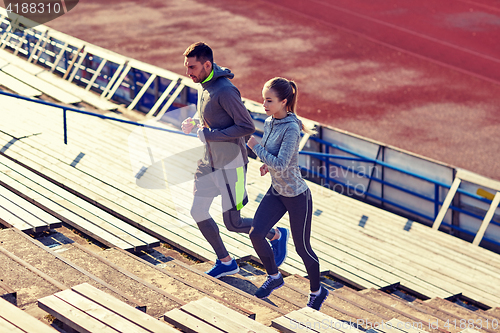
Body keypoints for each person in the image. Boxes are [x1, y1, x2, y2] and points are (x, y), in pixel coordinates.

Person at [181, 42, 289, 279]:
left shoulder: (225, 91)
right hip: (209, 162)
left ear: (207, 65)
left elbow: (246, 126)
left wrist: (208, 134)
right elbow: (215, 118)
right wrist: (196, 123)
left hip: (232, 166)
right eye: (187, 66)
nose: (188, 72)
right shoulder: (205, 84)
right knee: (198, 211)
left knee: (233, 222)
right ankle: (226, 261)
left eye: (192, 67)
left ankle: (276, 235)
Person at [246, 77, 329, 310]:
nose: (264, 104)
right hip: (277, 190)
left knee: (303, 248)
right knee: (256, 233)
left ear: (284, 101)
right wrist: (266, 163)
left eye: (269, 100)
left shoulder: (292, 128)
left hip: (296, 195)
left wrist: (254, 146)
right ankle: (274, 276)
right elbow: (273, 155)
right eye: (264, 99)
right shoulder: (271, 121)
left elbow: (281, 164)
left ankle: (317, 291)